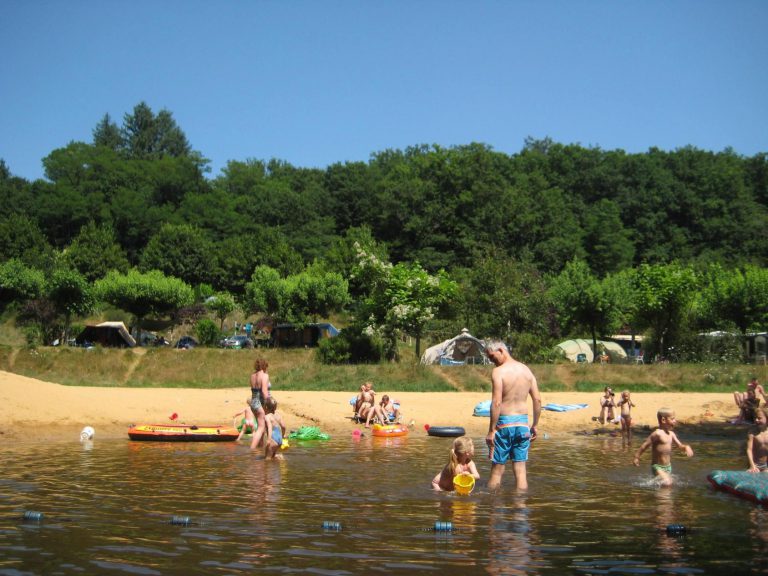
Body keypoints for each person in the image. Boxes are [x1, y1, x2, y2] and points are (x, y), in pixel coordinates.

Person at [484, 339, 542, 491]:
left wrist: (491, 430)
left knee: (497, 470)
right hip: (523, 424)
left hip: (504, 424)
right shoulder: (526, 370)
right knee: (521, 470)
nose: (491, 361)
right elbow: (537, 399)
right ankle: (520, 510)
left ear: (501, 351)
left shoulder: (499, 372)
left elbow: (496, 402)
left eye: (491, 357)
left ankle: (493, 509)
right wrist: (535, 425)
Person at [633, 407, 694, 486]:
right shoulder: (657, 434)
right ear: (663, 420)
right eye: (672, 419)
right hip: (657, 466)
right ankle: (661, 497)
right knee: (667, 482)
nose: (675, 421)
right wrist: (636, 457)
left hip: (668, 467)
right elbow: (645, 445)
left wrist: (686, 447)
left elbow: (680, 446)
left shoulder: (671, 434)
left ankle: (660, 496)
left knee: (667, 485)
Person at [248, 358, 271, 451]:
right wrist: (270, 402)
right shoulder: (264, 376)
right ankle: (251, 450)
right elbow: (264, 392)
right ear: (264, 366)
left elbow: (254, 390)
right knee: (261, 427)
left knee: (261, 425)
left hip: (253, 402)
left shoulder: (252, 376)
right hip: (259, 403)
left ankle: (260, 447)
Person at [747, 407, 768, 473]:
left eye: (759, 418)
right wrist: (752, 465)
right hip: (755, 465)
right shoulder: (752, 433)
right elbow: (749, 450)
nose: (756, 420)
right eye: (755, 418)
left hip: (766, 466)